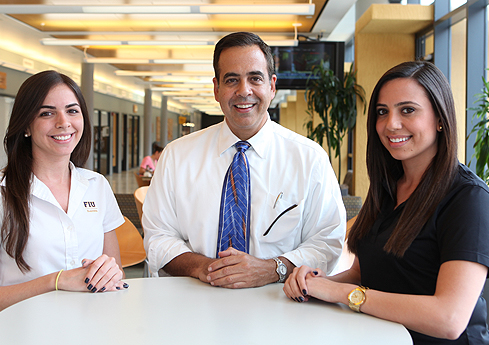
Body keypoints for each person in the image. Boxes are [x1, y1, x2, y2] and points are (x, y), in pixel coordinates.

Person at [283, 61, 489, 344]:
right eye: (382, 112)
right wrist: (314, 284)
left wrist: (343, 294)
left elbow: (449, 319)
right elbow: (362, 273)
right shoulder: (387, 186)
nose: (390, 124)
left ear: (440, 119)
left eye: (407, 110)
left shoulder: (469, 198)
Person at [142, 32, 346, 289]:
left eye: (255, 78)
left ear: (272, 86)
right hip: (194, 302)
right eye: (232, 80)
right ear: (216, 89)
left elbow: (328, 241)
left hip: (282, 304)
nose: (244, 91)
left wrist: (272, 269)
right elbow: (158, 237)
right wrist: (205, 268)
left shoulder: (309, 159)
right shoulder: (176, 156)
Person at [0, 70, 127, 322]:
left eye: (72, 110)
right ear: (26, 125)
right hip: (25, 330)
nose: (63, 122)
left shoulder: (96, 185)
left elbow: (117, 271)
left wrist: (109, 273)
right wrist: (55, 281)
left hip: (92, 325)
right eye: (47, 113)